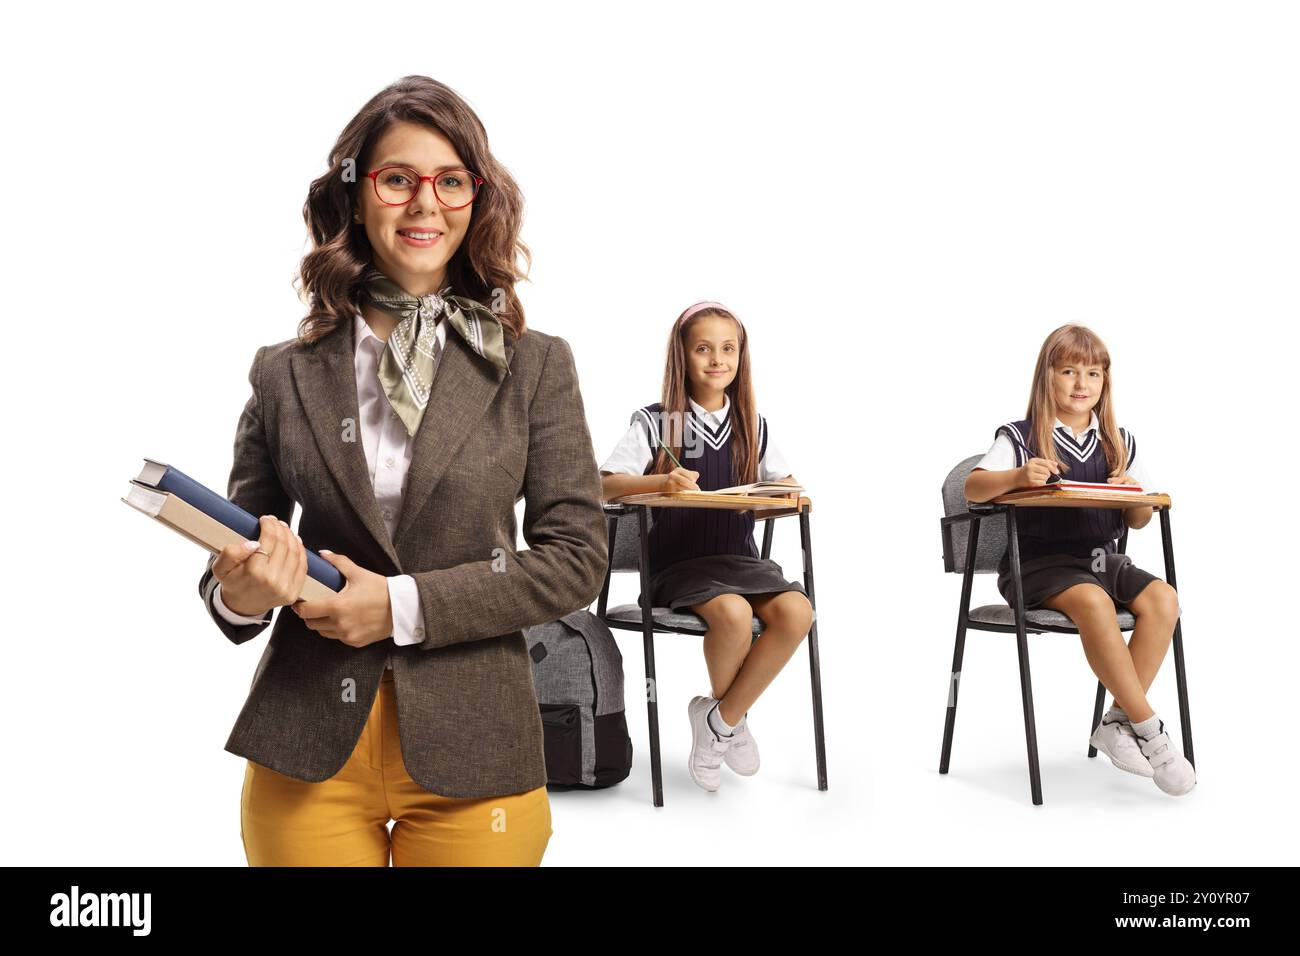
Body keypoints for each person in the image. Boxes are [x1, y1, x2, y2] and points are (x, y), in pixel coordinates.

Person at [197, 75, 608, 864]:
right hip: (307, 736)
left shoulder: (535, 366)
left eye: (450, 181)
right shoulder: (284, 374)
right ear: (356, 197)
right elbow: (238, 548)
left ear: (475, 200)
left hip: (477, 742)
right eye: (398, 179)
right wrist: (241, 593)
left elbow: (577, 559)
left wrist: (400, 605)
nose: (426, 203)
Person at [964, 323, 1195, 796]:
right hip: (1036, 566)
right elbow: (972, 488)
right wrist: (1017, 475)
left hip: (1099, 560)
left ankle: (1116, 721)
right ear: (1047, 376)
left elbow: (1137, 521)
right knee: (1093, 602)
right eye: (1068, 371)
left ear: (1105, 382)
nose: (1081, 383)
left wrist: (1135, 496)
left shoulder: (1119, 442)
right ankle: (1149, 729)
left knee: (1164, 600)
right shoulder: (1020, 436)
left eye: (1093, 373)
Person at [598, 301, 813, 793]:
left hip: (742, 560)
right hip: (679, 565)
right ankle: (730, 722)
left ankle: (720, 719)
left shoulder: (750, 425)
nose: (717, 359)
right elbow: (603, 484)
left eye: (728, 349)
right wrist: (660, 481)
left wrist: (791, 491)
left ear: (741, 357)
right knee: (734, 615)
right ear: (682, 356)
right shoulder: (660, 424)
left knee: (798, 612)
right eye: (703, 348)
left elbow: (787, 483)